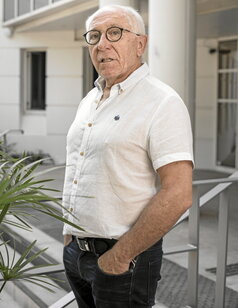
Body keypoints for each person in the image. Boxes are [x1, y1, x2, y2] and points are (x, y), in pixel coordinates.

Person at [62, 4, 193, 308]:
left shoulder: (162, 101)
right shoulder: (90, 100)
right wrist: (69, 239)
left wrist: (119, 257)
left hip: (123, 261)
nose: (102, 44)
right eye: (94, 36)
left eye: (114, 33)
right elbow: (78, 170)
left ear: (140, 43)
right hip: (76, 254)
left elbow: (178, 193)